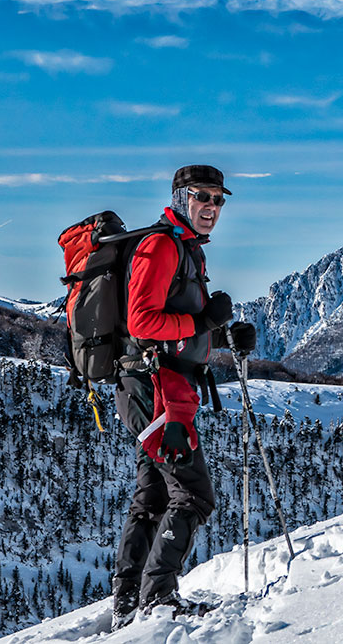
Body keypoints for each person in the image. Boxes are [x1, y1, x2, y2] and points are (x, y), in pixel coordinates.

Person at [110, 164, 256, 630]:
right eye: (202, 197)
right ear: (179, 197)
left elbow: (181, 320)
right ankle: (157, 598)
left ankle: (128, 602)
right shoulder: (161, 246)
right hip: (154, 391)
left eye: (219, 199)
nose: (212, 207)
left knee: (153, 496)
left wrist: (222, 333)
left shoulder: (186, 249)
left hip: (164, 388)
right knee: (194, 495)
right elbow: (142, 322)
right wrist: (201, 325)